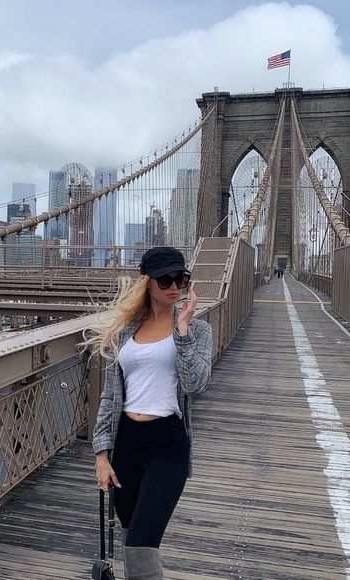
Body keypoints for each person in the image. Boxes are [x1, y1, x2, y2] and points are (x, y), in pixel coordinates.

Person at [85, 246, 212, 579]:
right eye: (165, 279)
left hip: (167, 445)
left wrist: (182, 330)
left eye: (181, 279)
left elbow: (196, 384)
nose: (174, 286)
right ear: (148, 283)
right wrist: (101, 455)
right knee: (131, 539)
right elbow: (110, 397)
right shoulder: (125, 331)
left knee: (142, 542)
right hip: (126, 446)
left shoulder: (198, 331)